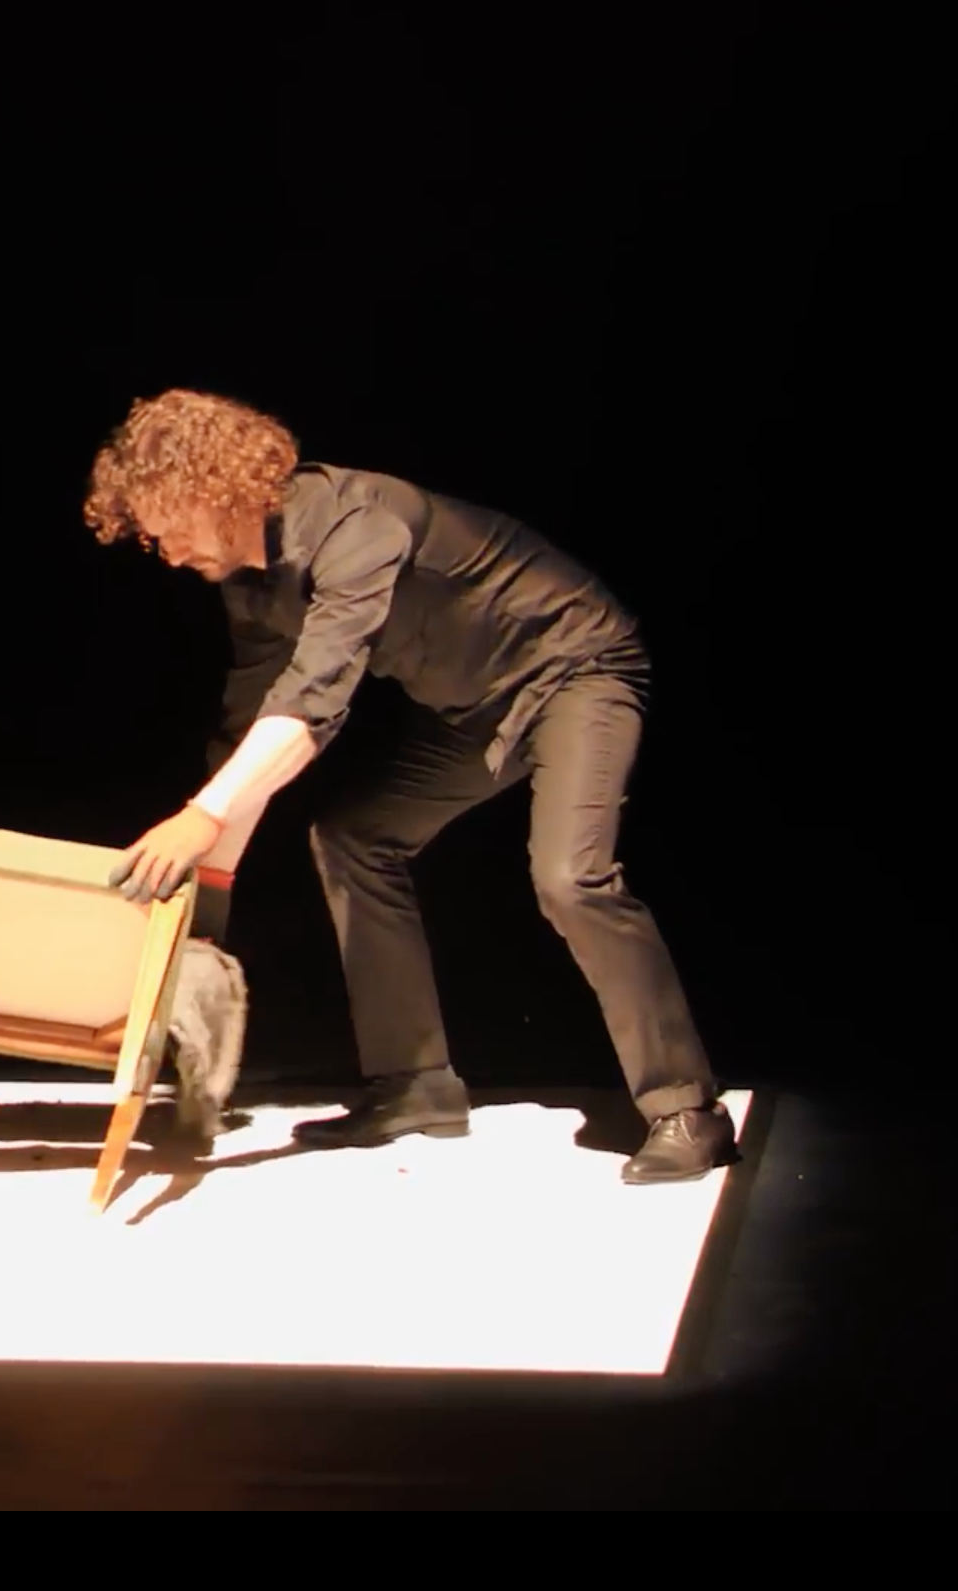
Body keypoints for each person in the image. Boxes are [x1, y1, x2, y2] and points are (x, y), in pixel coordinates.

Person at [88, 388, 737, 1183]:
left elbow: (313, 703)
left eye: (167, 524)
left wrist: (201, 816)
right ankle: (416, 1085)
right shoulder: (249, 587)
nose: (164, 549)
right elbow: (252, 729)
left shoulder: (357, 524)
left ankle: (688, 1109)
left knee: (570, 877)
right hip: (476, 712)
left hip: (575, 669)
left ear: (213, 488)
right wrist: (210, 898)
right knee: (354, 840)